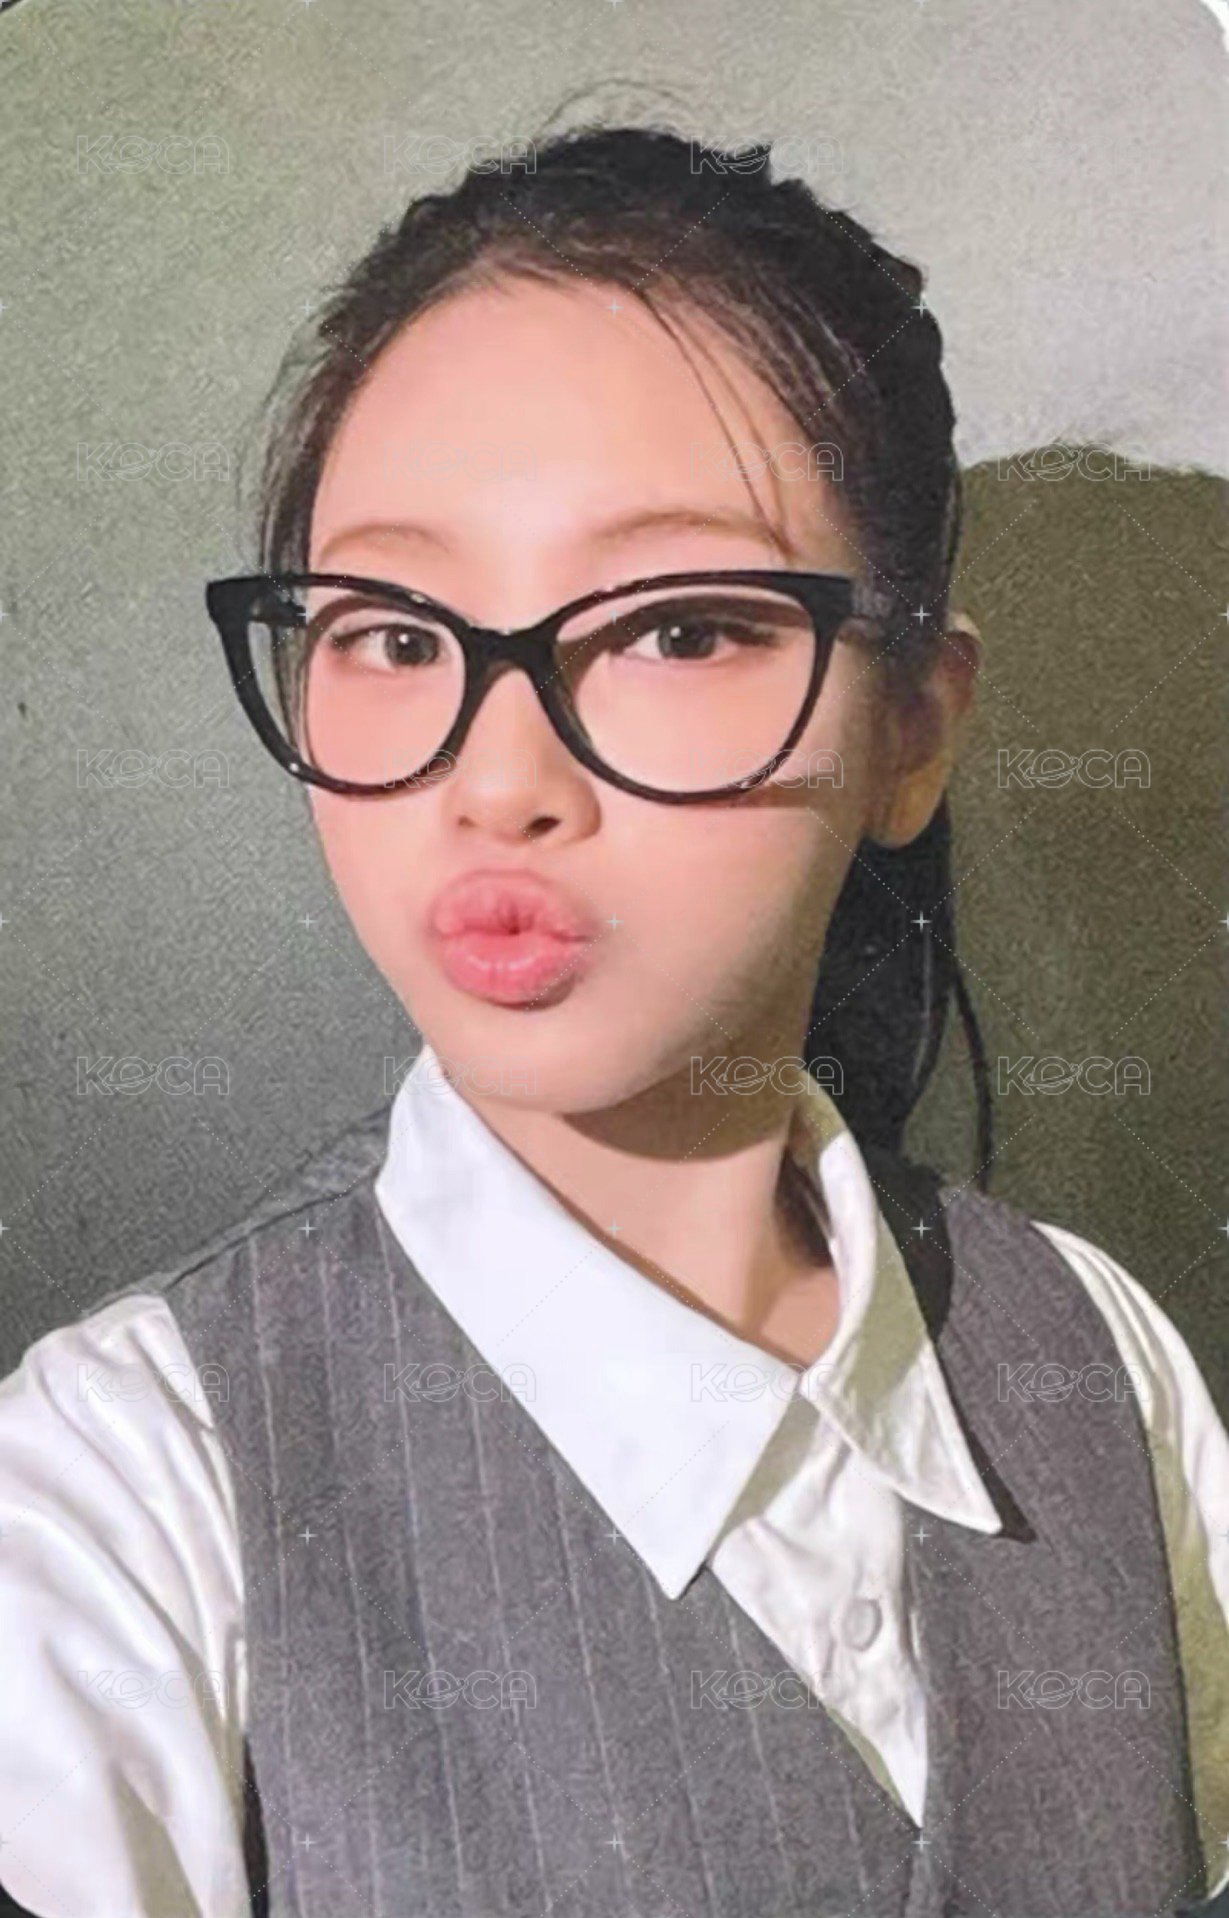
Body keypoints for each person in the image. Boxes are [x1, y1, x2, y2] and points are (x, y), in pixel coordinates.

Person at [0, 125, 1225, 1918]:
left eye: (676, 629)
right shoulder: (120, 1498)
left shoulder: (1097, 1358)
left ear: (912, 728)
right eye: (391, 634)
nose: (498, 780)